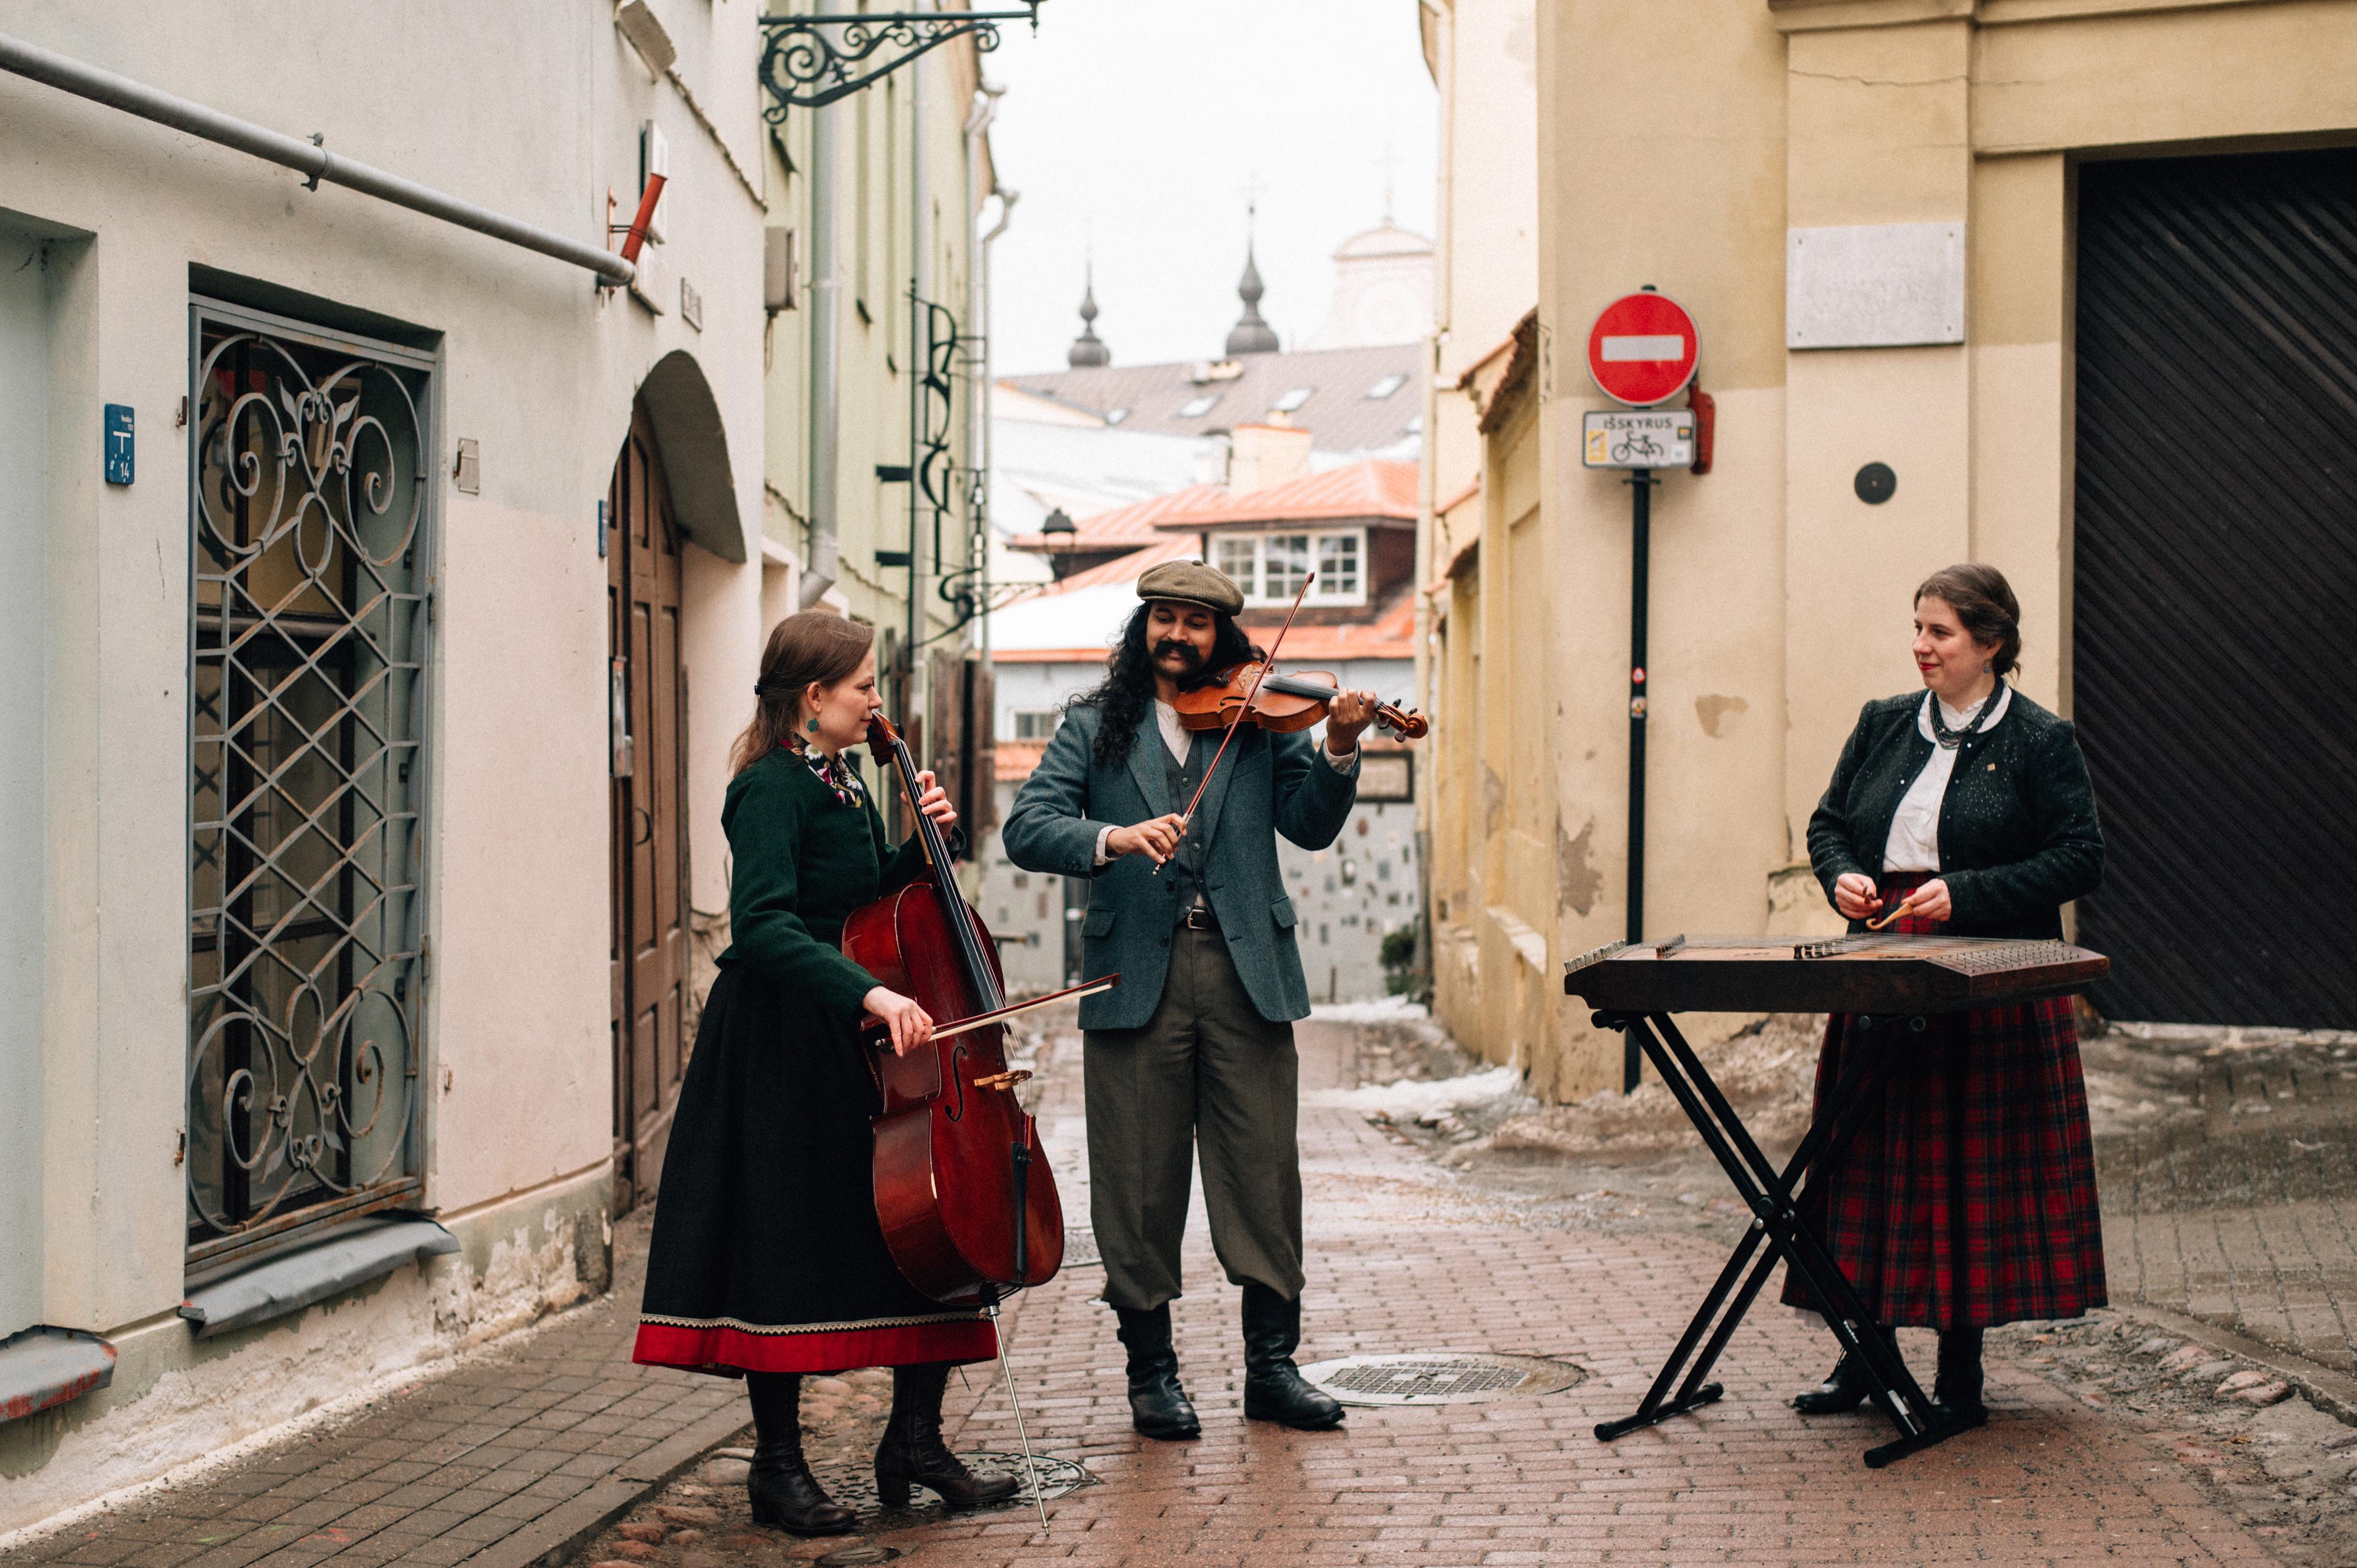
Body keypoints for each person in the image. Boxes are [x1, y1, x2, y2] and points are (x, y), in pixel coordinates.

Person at [632, 611, 1019, 1535]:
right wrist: (872, 996)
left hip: (850, 1032)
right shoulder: (767, 787)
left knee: (914, 1230)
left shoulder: (842, 781)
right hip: (781, 1040)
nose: (876, 702)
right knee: (789, 1241)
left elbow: (866, 897)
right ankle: (778, 1467)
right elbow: (762, 924)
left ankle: (916, 1442)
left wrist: (930, 841)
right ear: (815, 697)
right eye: (865, 687)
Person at [1001, 561, 1379, 1440]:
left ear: (1224, 636)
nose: (1178, 634)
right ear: (1144, 631)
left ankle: (1272, 1369)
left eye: (1196, 623)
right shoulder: (1095, 725)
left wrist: (1340, 748)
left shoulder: (1259, 718)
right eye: (1163, 619)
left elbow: (1311, 824)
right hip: (1137, 976)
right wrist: (1111, 837)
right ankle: (1153, 1373)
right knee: (1137, 1177)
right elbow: (1028, 826)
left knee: (1262, 1173)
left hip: (1247, 971)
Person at [1783, 563, 2107, 1427]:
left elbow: (2080, 857)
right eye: (1918, 628)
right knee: (1869, 1158)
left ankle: (1961, 1374)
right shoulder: (1884, 722)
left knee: (1966, 1169)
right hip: (1883, 962)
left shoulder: (2042, 740)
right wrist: (1844, 875)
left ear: (1991, 642)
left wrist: (1968, 892)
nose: (1920, 646)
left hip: (1988, 981)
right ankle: (1867, 1355)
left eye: (1940, 633)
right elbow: (1829, 822)